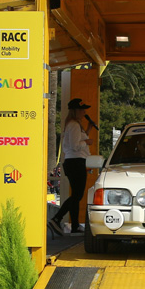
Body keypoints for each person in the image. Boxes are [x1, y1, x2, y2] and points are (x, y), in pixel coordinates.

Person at [50, 98, 91, 236]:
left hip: (75, 161)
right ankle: (57, 218)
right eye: (82, 109)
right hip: (75, 162)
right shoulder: (73, 125)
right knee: (77, 195)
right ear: (75, 111)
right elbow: (75, 146)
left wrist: (88, 131)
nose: (84, 112)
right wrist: (86, 142)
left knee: (76, 195)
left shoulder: (74, 125)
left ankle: (74, 225)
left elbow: (76, 142)